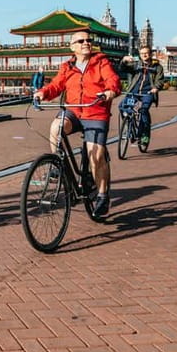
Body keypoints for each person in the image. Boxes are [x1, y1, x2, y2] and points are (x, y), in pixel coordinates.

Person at [33, 31, 121, 218]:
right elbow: (56, 85)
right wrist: (42, 93)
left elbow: (112, 79)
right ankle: (59, 166)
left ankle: (103, 195)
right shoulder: (67, 66)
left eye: (89, 40)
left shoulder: (101, 62)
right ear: (72, 46)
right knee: (56, 128)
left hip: (95, 111)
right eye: (81, 41)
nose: (86, 43)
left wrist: (110, 91)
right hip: (73, 111)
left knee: (96, 155)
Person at [118, 45, 165, 145]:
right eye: (142, 53)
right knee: (122, 106)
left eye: (146, 53)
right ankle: (129, 127)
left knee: (143, 110)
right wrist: (124, 61)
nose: (144, 55)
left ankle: (144, 134)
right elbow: (123, 69)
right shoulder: (136, 65)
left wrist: (156, 88)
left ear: (150, 54)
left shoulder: (157, 67)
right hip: (134, 93)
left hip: (147, 93)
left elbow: (160, 80)